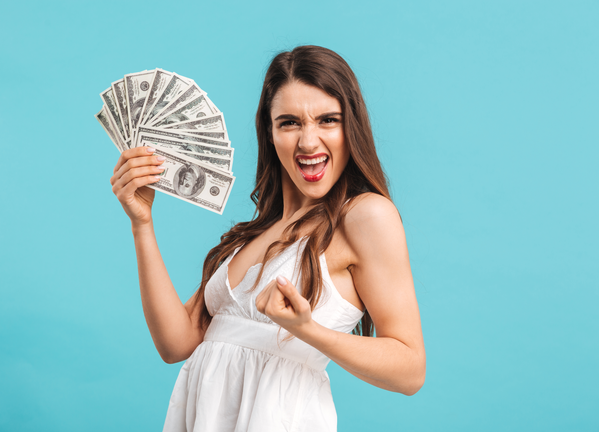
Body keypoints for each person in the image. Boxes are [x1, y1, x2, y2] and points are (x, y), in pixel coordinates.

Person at [109, 45, 426, 432]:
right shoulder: (256, 232)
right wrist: (141, 223)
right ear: (270, 132)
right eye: (289, 123)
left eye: (328, 120)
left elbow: (411, 370)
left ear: (351, 127)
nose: (308, 142)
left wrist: (307, 330)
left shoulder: (365, 216)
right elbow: (175, 344)